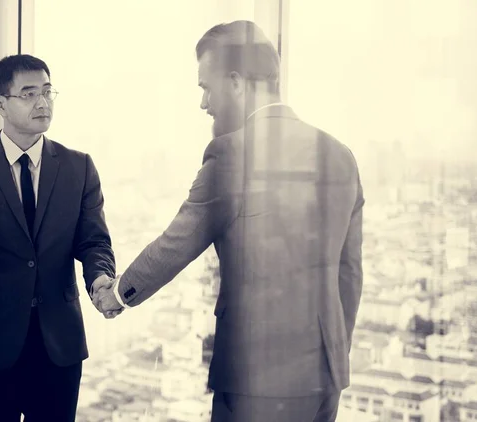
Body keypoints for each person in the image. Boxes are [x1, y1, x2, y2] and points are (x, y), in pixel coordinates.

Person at [93, 20, 364, 421]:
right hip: (325, 376)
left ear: (236, 82)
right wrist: (334, 350)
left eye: (206, 86)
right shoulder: (340, 155)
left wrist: (116, 294)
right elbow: (350, 274)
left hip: (256, 377)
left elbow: (177, 242)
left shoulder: (233, 153)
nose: (204, 102)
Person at [0, 54, 116, 422]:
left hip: (59, 349)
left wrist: (100, 278)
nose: (43, 103)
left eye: (48, 92)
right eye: (29, 93)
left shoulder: (79, 166)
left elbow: (94, 241)